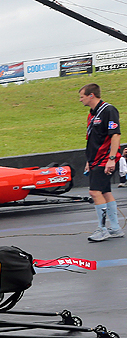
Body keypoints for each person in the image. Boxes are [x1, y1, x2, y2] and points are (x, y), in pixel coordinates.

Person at [78, 83, 123, 241]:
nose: (80, 100)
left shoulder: (108, 110)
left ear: (91, 95)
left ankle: (102, 229)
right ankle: (115, 228)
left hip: (105, 159)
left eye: (82, 96)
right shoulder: (92, 114)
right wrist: (89, 160)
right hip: (95, 159)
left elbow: (115, 135)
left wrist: (111, 159)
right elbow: (93, 139)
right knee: (105, 192)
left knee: (94, 192)